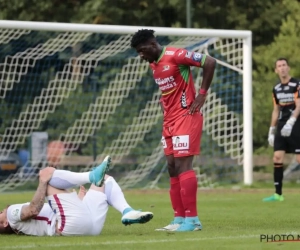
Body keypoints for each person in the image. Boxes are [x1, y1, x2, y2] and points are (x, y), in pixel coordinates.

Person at [130, 29, 216, 231]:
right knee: (171, 166)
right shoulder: (153, 64)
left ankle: (192, 220)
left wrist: (202, 94)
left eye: (142, 50)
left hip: (187, 116)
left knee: (183, 165)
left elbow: (209, 62)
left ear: (152, 45)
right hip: (169, 120)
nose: (141, 55)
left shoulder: (176, 55)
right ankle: (178, 219)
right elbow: (169, 87)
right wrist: (163, 101)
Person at [0, 155, 153, 235]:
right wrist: (42, 181)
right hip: (68, 226)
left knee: (104, 181)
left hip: (86, 225)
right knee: (48, 177)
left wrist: (80, 200)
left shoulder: (18, 224)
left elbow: (51, 212)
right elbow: (34, 209)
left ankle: (127, 211)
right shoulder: (12, 215)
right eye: (0, 213)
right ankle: (91, 176)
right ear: (4, 223)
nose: (2, 211)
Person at [264, 58, 300, 202]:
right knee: (277, 157)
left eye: (284, 65)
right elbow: (276, 110)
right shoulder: (276, 88)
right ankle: (278, 194)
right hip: (281, 125)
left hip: (296, 124)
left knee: (298, 158)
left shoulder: (296, 84)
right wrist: (271, 130)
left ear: (288, 67)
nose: (282, 68)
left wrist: (291, 121)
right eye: (279, 66)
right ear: (276, 70)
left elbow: (299, 105)